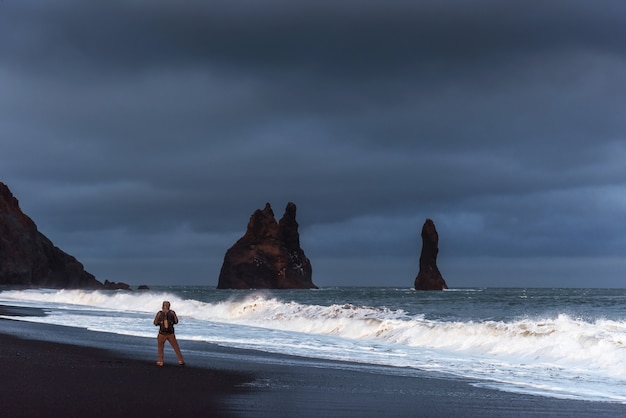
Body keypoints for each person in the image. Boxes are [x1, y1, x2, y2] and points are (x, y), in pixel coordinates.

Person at [153, 301, 185, 366]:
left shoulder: (159, 313)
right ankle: (180, 360)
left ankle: (160, 361)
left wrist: (160, 323)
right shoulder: (172, 313)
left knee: (160, 347)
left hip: (162, 333)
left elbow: (155, 323)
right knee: (176, 347)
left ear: (162, 306)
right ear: (169, 306)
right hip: (171, 333)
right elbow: (176, 321)